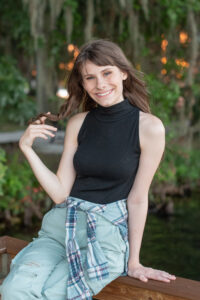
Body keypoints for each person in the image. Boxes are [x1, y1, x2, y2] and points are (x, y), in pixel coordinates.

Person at [1, 39, 176, 300]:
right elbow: (60, 193)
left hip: (105, 239)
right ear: (82, 84)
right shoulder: (78, 123)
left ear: (124, 73)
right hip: (61, 228)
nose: (100, 84)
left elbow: (138, 199)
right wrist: (27, 148)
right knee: (13, 290)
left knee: (53, 294)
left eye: (107, 73)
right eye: (90, 78)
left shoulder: (149, 127)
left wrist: (134, 261)